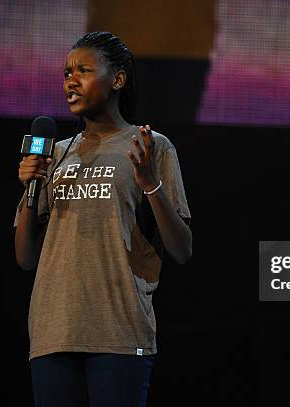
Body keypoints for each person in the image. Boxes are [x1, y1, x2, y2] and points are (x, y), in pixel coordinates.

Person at [14, 31, 192, 407]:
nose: (70, 80)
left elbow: (182, 249)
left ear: (117, 79)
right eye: (66, 73)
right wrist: (31, 189)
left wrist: (150, 184)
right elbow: (26, 258)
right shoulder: (54, 154)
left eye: (83, 70)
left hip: (119, 333)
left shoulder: (150, 145)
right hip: (53, 332)